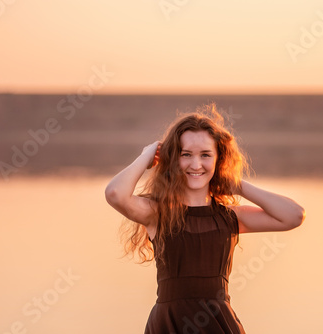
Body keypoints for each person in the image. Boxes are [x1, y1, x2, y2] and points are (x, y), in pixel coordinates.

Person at [105, 105, 305, 333]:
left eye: (206, 155)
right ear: (173, 159)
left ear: (219, 159)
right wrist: (146, 156)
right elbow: (115, 194)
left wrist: (238, 185)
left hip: (219, 324)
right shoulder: (157, 213)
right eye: (186, 154)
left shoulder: (230, 217)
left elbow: (294, 216)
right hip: (169, 325)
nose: (196, 165)